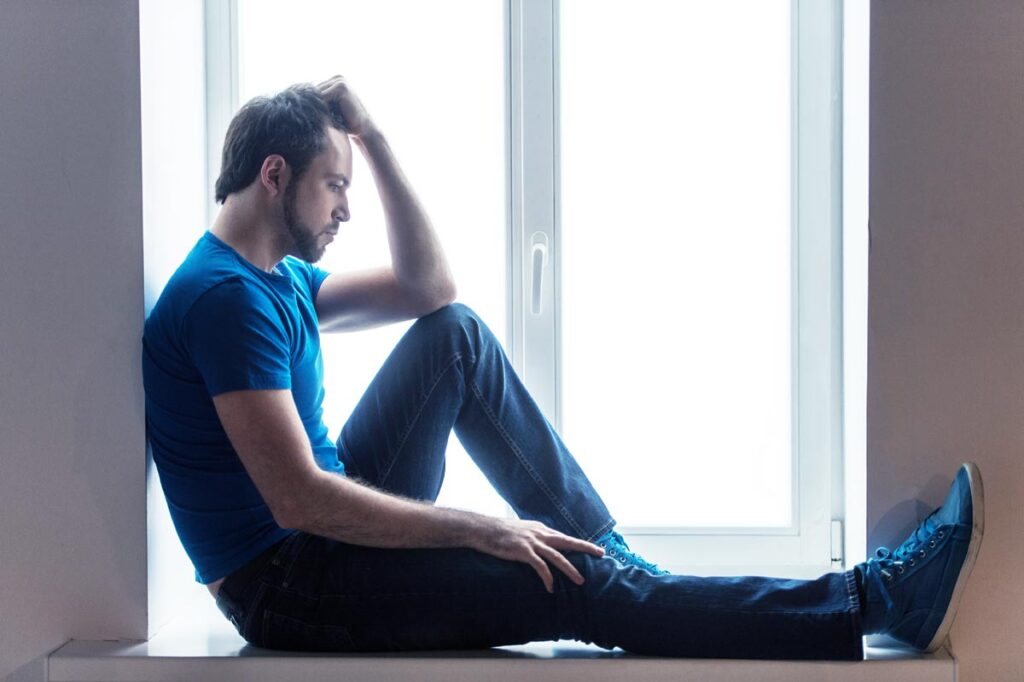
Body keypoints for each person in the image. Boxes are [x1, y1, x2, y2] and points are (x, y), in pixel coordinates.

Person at [142, 76, 984, 659]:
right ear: (275, 175)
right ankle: (872, 600)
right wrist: (485, 527)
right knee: (569, 584)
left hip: (317, 532)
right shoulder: (224, 300)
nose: (346, 211)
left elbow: (430, 288)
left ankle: (625, 566)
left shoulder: (277, 277)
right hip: (289, 582)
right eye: (335, 187)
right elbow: (297, 499)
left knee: (456, 338)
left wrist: (375, 138)